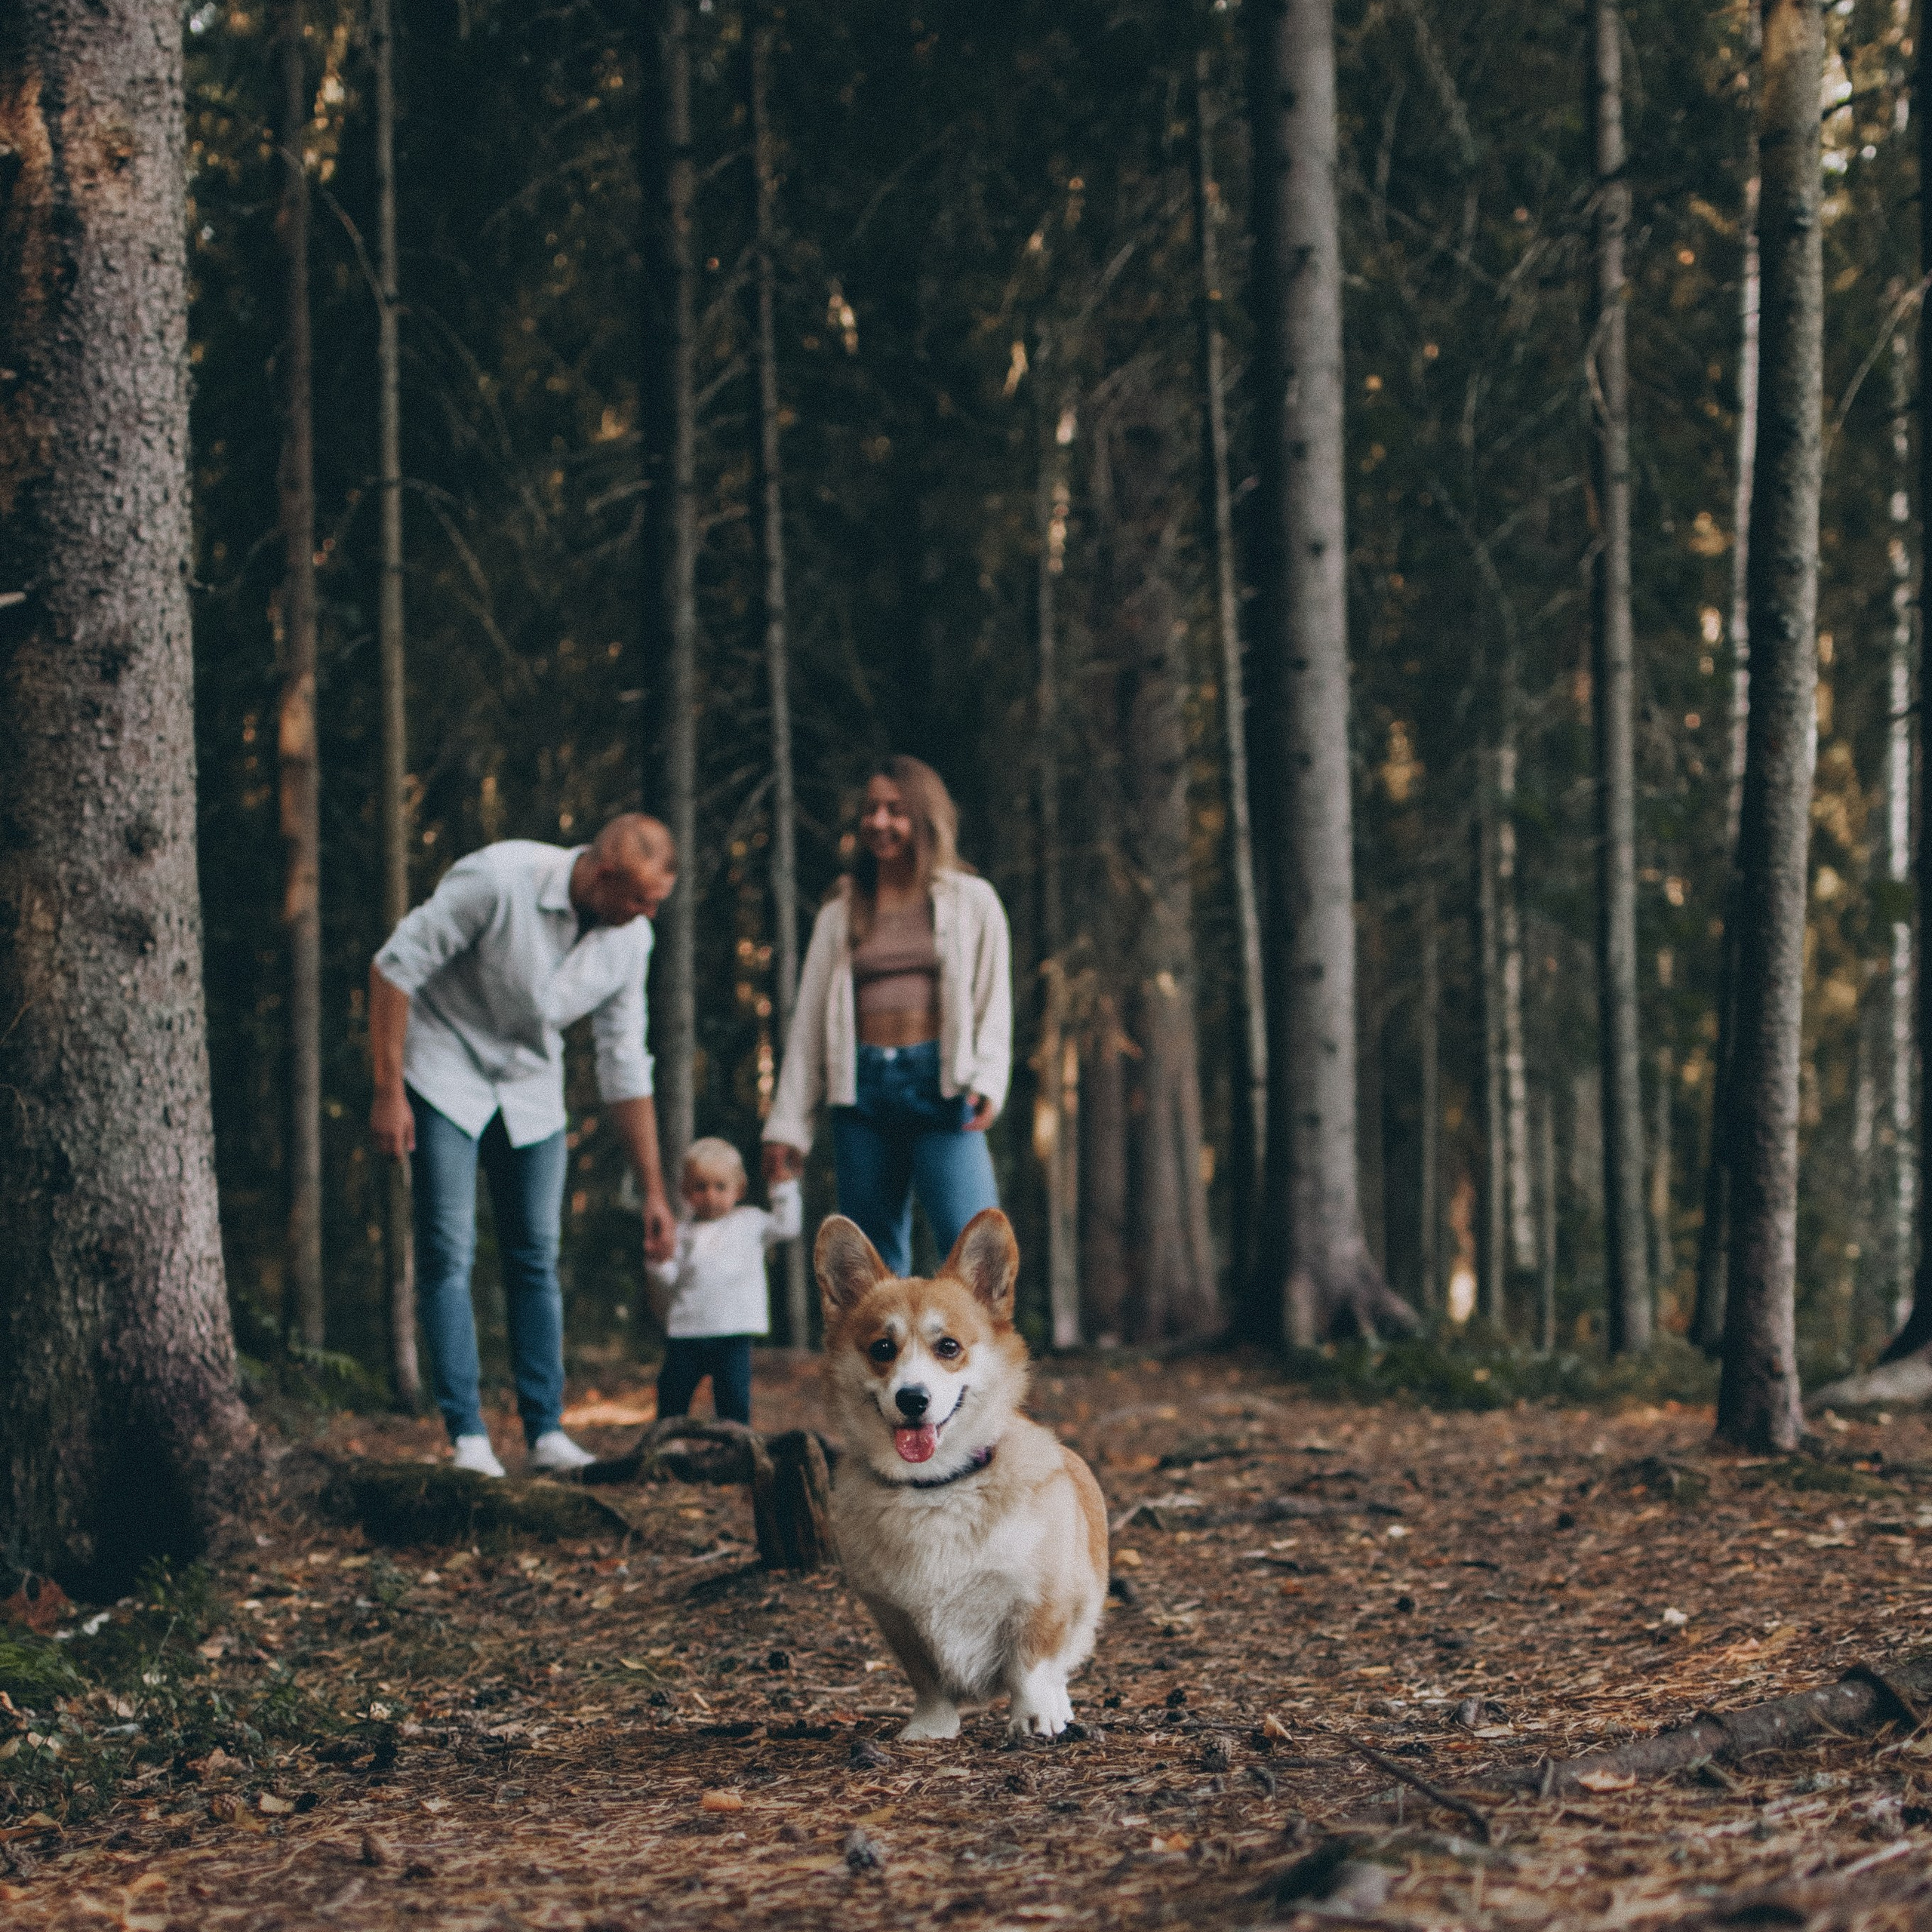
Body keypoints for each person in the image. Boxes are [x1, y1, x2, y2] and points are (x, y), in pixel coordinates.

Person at [369, 814, 678, 1478]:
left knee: (536, 1255)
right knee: (447, 1251)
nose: (649, 914)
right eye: (640, 899)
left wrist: (653, 1188)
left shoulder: (633, 939)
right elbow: (394, 967)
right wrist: (387, 1090)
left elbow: (625, 1060)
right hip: (442, 1069)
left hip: (531, 1088)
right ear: (602, 876)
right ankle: (468, 1438)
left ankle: (546, 1432)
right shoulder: (499, 879)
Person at [762, 755, 1011, 1276]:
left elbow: (993, 999)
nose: (879, 822)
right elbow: (809, 1024)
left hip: (944, 1088)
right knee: (870, 1267)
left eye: (895, 811)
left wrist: (988, 1078)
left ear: (925, 819)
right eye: (871, 810)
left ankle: (981, 1359)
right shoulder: (842, 910)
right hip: (863, 1092)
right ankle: (885, 1360)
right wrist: (788, 1125)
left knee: (975, 1250)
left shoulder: (972, 900)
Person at [647, 1137, 802, 1426]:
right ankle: (668, 1447)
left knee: (733, 1401)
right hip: (687, 1332)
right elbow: (670, 1278)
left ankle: (735, 1451)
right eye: (700, 1187)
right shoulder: (681, 1233)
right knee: (672, 1396)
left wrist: (783, 1187)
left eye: (720, 1187)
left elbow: (788, 1226)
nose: (710, 1196)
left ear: (739, 1189)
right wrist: (658, 1260)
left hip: (734, 1332)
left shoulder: (751, 1222)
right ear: (686, 1191)